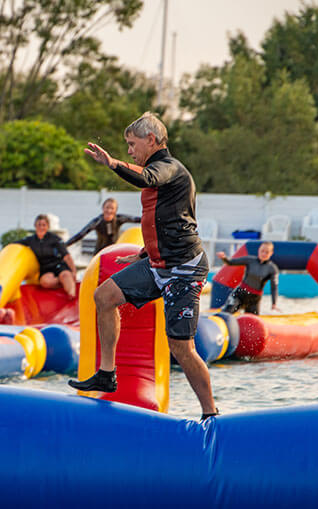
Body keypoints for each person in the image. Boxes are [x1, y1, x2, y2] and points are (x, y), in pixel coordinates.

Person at [68, 111, 219, 421]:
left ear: (152, 140)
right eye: (126, 147)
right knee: (103, 296)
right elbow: (165, 220)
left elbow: (146, 177)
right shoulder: (160, 173)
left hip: (184, 269)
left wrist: (113, 164)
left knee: (181, 347)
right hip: (156, 263)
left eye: (132, 143)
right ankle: (107, 373)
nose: (129, 151)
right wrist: (144, 252)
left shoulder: (169, 169)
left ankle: (211, 413)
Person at [16, 214, 77, 299]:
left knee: (66, 275)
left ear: (48, 226)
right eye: (39, 225)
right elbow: (16, 243)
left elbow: (66, 256)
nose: (41, 227)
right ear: (35, 226)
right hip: (45, 268)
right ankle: (63, 282)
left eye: (44, 225)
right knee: (45, 282)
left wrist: (74, 272)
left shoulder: (55, 239)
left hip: (58, 265)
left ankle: (71, 295)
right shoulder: (31, 240)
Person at [217, 241, 279, 315]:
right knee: (226, 313)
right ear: (258, 250)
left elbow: (274, 287)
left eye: (267, 252)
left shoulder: (272, 268)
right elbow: (231, 262)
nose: (264, 254)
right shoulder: (250, 260)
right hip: (240, 294)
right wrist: (224, 258)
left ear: (271, 253)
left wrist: (274, 303)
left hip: (254, 299)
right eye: (262, 251)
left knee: (252, 323)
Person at [65, 198, 141, 254]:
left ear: (115, 210)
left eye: (112, 208)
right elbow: (81, 234)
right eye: (107, 207)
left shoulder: (119, 218)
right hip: (99, 253)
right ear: (103, 208)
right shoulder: (97, 221)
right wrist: (65, 245)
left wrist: (151, 217)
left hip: (114, 253)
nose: (109, 211)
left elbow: (135, 219)